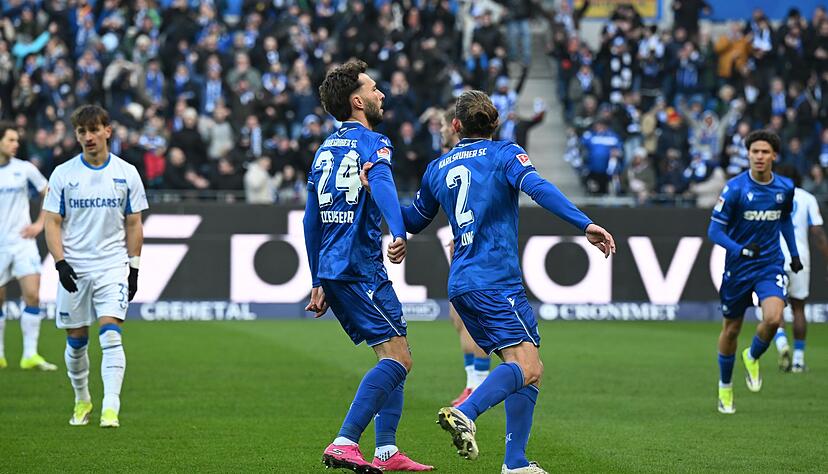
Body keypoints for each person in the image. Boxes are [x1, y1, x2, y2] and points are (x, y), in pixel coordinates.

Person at [363, 90, 615, 473]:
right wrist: (585, 223)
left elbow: (413, 220)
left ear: (456, 126)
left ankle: (515, 463)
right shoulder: (504, 154)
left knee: (530, 368)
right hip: (495, 279)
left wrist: (375, 193)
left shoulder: (438, 168)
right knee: (526, 366)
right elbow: (538, 188)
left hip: (462, 283)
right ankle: (466, 411)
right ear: (494, 125)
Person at [303, 60, 432, 473]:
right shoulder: (372, 143)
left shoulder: (324, 150)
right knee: (399, 359)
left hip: (336, 267)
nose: (382, 95)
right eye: (374, 89)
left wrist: (316, 277)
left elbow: (310, 219)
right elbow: (381, 182)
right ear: (357, 101)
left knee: (393, 352)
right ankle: (345, 441)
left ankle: (387, 451)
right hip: (359, 267)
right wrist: (399, 231)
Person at [43, 105, 147, 428]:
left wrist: (134, 267)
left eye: (93, 130)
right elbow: (52, 222)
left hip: (112, 265)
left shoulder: (127, 172)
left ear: (107, 131)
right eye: (81, 132)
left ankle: (111, 408)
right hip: (75, 266)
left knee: (111, 333)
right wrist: (60, 263)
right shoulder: (63, 174)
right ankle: (81, 399)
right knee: (76, 341)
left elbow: (134, 223)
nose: (87, 137)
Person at [707, 130, 802, 415]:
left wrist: (794, 254)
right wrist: (740, 250)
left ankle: (753, 355)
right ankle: (725, 386)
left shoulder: (785, 187)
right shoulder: (735, 189)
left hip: (769, 264)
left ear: (774, 156)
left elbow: (784, 221)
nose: (759, 157)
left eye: (764, 152)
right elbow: (714, 231)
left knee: (773, 318)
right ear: (748, 155)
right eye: (754, 152)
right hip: (738, 267)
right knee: (732, 329)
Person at [439, 108, 491, 407]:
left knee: (472, 319)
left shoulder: (473, 155)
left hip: (474, 245)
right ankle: (472, 382)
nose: (441, 130)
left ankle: (478, 386)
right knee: (456, 316)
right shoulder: (449, 159)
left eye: (444, 125)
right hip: (460, 240)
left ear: (456, 126)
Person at [0, 121, 57, 371]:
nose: (16, 144)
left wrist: (40, 224)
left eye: (17, 140)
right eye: (11, 139)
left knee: (33, 295)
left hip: (23, 241)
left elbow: (49, 191)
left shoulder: (24, 169)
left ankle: (30, 354)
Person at [772, 165, 828, 372]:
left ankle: (780, 342)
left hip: (774, 257)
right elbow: (818, 233)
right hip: (799, 258)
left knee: (774, 305)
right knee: (798, 308)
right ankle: (798, 359)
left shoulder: (771, 196)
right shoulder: (807, 199)